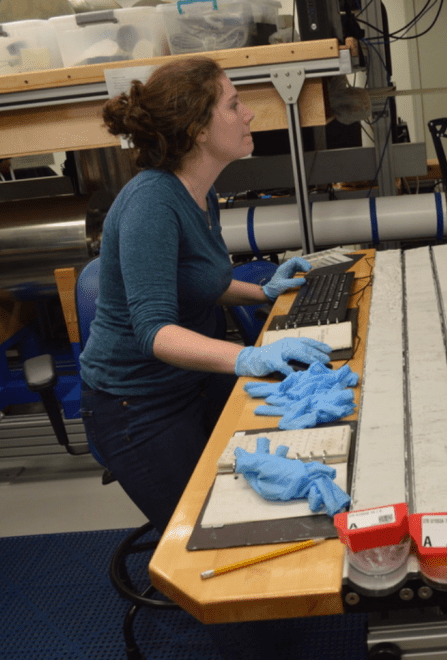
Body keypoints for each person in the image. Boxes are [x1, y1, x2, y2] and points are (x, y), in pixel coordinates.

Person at [79, 56, 331, 536]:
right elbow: (156, 332)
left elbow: (195, 279)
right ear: (197, 128)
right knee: (213, 531)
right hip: (139, 406)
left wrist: (261, 290)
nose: (249, 114)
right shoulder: (151, 202)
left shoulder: (200, 191)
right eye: (234, 105)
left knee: (273, 470)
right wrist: (249, 357)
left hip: (192, 384)